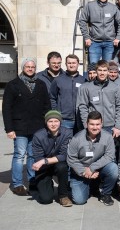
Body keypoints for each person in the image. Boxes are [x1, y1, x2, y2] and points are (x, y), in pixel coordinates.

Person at [3, 58, 51, 196]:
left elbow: (46, 106)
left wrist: (47, 124)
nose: (30, 69)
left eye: (32, 67)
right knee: (19, 155)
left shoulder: (40, 84)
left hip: (37, 127)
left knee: (32, 155)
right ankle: (17, 184)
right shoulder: (13, 84)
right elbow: (6, 108)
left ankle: (32, 181)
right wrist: (9, 129)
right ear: (23, 67)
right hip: (19, 127)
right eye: (27, 66)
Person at [67, 111, 118, 206]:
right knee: (79, 200)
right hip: (80, 172)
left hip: (98, 168)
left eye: (98, 124)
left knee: (113, 168)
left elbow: (109, 156)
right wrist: (84, 171)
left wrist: (92, 168)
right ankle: (90, 186)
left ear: (101, 124)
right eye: (92, 124)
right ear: (86, 124)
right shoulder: (77, 138)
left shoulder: (107, 137)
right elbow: (71, 159)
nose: (95, 127)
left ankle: (105, 194)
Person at [31, 110, 73, 206]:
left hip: (57, 163)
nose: (53, 124)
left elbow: (64, 155)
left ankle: (63, 196)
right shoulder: (38, 136)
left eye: (56, 121)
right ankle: (45, 184)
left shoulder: (67, 133)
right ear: (46, 123)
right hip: (43, 167)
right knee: (46, 199)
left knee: (62, 167)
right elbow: (38, 158)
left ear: (60, 122)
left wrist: (45, 160)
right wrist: (43, 162)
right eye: (50, 121)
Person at [76, 60, 120, 138]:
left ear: (108, 71)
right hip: (93, 127)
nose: (102, 73)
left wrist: (118, 126)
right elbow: (83, 107)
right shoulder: (87, 87)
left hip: (110, 127)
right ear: (96, 71)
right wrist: (86, 126)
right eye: (100, 70)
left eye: (105, 70)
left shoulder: (115, 88)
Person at [78, 0, 120, 64]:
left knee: (107, 66)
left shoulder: (113, 7)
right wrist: (86, 37)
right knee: (93, 66)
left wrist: (118, 38)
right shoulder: (90, 6)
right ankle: (91, 76)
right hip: (94, 42)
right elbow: (82, 20)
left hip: (109, 42)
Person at [49, 54, 85, 131]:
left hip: (80, 119)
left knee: (79, 142)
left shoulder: (83, 80)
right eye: (69, 63)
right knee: (64, 142)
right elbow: (52, 97)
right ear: (65, 64)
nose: (71, 65)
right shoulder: (58, 80)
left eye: (74, 63)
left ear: (78, 64)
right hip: (64, 120)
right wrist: (56, 113)